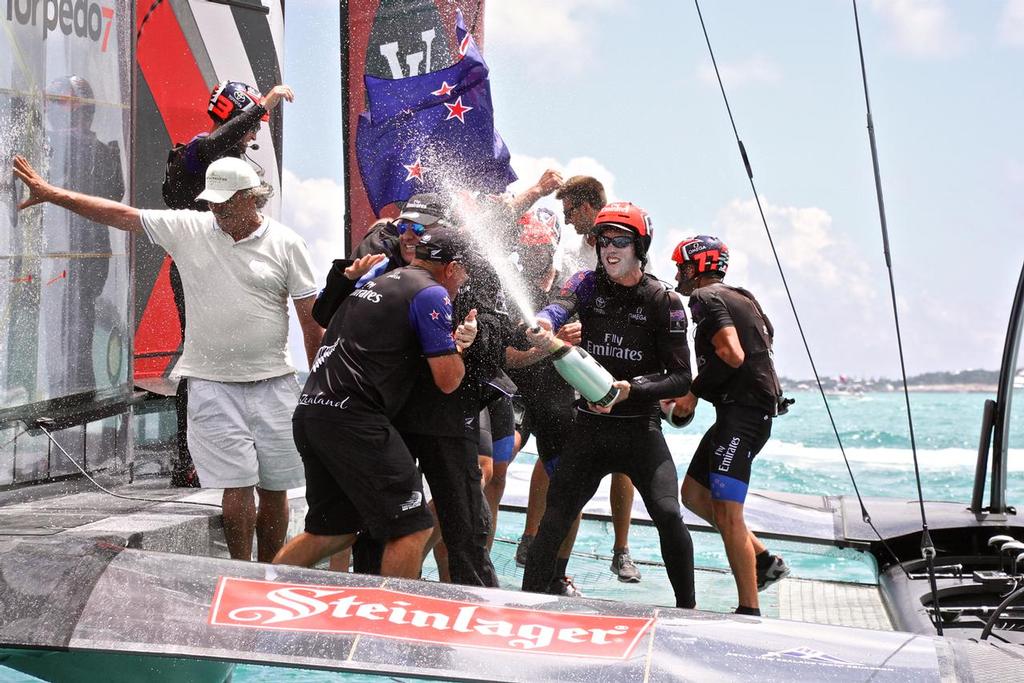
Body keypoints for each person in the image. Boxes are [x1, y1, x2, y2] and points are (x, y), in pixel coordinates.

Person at [12, 154, 323, 562]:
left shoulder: (286, 243)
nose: (216, 209)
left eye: (226, 201)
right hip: (211, 383)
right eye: (212, 201)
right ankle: (241, 571)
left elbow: (312, 324)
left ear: (252, 198)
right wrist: (52, 194)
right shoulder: (190, 227)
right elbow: (121, 215)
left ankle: (272, 571)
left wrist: (320, 386)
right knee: (237, 484)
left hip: (275, 382)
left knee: (275, 485)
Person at [274, 225, 479, 579]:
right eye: (465, 272)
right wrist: (460, 345)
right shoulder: (432, 294)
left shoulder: (379, 281)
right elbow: (448, 381)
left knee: (331, 531)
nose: (464, 281)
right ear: (451, 267)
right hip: (354, 420)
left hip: (312, 412)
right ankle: (390, 627)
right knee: (413, 527)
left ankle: (255, 591)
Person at [521, 202, 696, 608]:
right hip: (589, 431)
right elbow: (559, 305)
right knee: (556, 515)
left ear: (640, 246)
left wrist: (629, 389)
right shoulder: (586, 283)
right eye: (603, 240)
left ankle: (688, 610)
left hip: (639, 430)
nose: (610, 248)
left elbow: (681, 377)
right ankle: (527, 605)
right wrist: (546, 322)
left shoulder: (663, 301)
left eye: (620, 241)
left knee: (668, 515)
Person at [161, 80, 294, 488]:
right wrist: (262, 105)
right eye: (253, 123)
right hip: (198, 268)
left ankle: (239, 447)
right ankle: (188, 460)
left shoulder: (236, 160)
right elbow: (221, 139)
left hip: (235, 268)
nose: (256, 133)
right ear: (236, 116)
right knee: (201, 358)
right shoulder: (200, 150)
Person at [667, 235, 790, 616]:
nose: (677, 274)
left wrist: (691, 393)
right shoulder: (741, 296)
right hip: (741, 414)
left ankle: (749, 609)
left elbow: (732, 354)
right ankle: (765, 560)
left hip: (744, 417)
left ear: (697, 268)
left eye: (681, 267)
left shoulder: (706, 299)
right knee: (693, 495)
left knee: (728, 512)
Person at [43, 75, 125, 396]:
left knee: (69, 323)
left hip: (75, 252)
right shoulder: (100, 150)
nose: (52, 113)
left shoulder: (73, 147)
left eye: (58, 105)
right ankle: (77, 388)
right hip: (89, 253)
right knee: (78, 322)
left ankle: (70, 391)